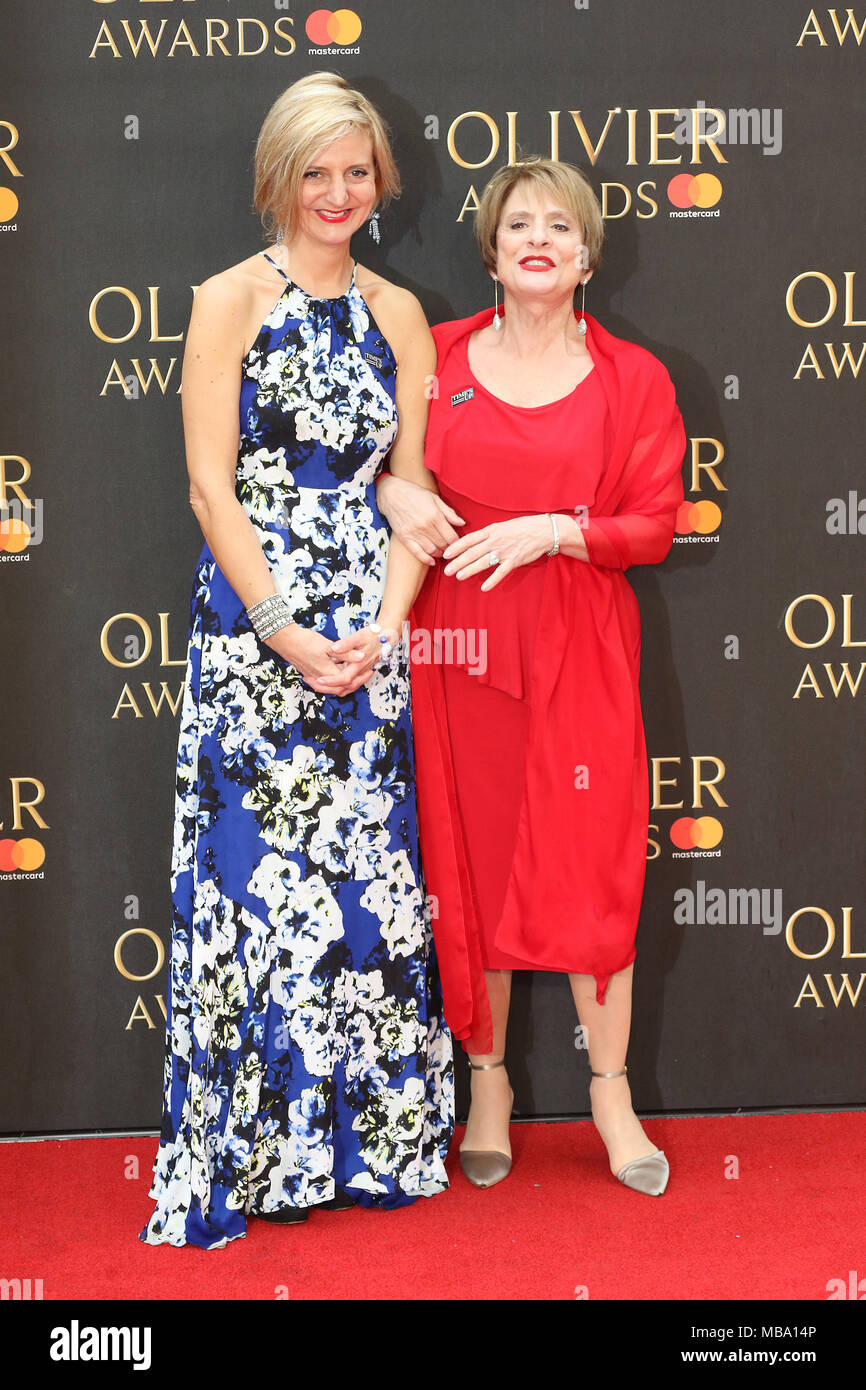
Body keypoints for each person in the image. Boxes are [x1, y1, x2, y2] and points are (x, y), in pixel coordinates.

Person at [139, 72, 453, 1250]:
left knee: (360, 889)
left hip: (371, 619)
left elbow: (411, 488)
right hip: (253, 620)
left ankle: (364, 1145)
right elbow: (207, 485)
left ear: (380, 180)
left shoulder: (400, 311)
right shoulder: (227, 299)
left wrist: (384, 623)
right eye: (313, 171)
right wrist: (277, 622)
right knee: (251, 887)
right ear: (277, 177)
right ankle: (247, 1158)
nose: (336, 193)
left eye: (355, 171)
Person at [376, 157, 686, 1196]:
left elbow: (652, 523)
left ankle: (609, 1092)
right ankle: (488, 1081)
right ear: (490, 250)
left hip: (580, 646)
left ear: (588, 253)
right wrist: (386, 491)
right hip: (457, 645)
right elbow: (362, 460)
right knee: (473, 859)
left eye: (559, 224)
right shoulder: (436, 353)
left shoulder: (632, 378)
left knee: (592, 862)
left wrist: (561, 529)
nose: (538, 238)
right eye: (517, 224)